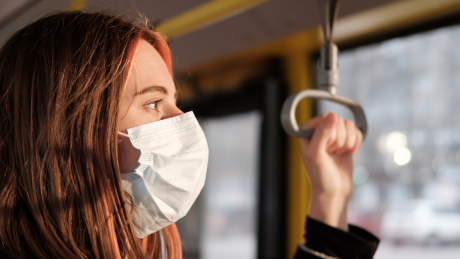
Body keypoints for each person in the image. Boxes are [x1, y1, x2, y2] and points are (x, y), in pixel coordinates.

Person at [0, 11, 379, 259]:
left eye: (176, 102)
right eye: (152, 103)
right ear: (69, 128)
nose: (183, 121)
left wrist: (331, 197)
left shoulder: (149, 247)